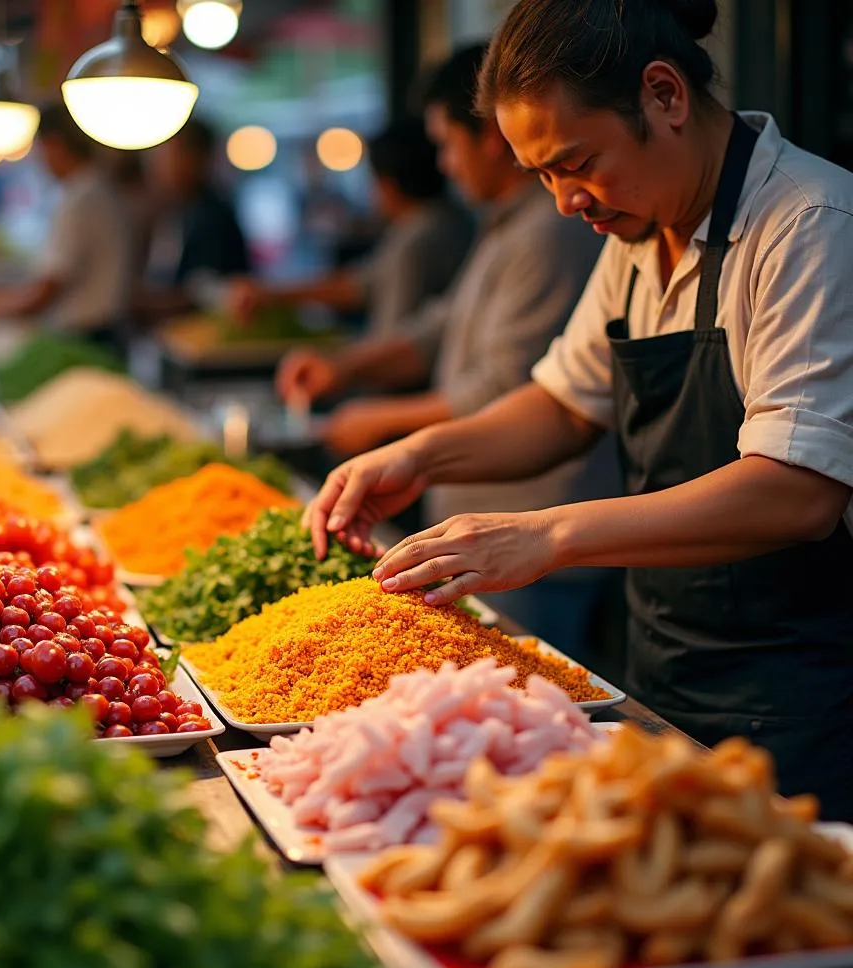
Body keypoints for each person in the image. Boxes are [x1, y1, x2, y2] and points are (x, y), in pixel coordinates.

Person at [304, 0, 853, 819]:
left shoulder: (809, 225)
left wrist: (546, 534)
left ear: (664, 96)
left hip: (799, 688)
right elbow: (563, 406)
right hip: (664, 668)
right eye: (543, 177)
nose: (567, 202)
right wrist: (419, 455)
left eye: (577, 162)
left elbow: (798, 490)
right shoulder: (639, 238)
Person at [280, 46, 618, 657]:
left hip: (528, 542)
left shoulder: (552, 231)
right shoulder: (506, 226)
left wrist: (390, 432)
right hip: (487, 534)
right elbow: (448, 335)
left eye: (447, 143)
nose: (445, 164)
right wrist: (361, 387)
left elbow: (509, 388)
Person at [227, 118, 475, 338]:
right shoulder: (444, 224)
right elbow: (360, 284)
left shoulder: (419, 239)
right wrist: (271, 295)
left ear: (387, 185)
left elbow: (394, 337)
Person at [0, 103, 132, 345]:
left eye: (41, 149)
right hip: (95, 331)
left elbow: (48, 290)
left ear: (56, 145)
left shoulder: (81, 198)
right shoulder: (90, 189)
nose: (41, 159)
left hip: (86, 336)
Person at [134, 118, 250, 323]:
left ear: (196, 158)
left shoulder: (212, 217)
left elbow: (208, 293)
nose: (157, 164)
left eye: (167, 153)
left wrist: (146, 304)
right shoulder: (175, 210)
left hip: (210, 343)